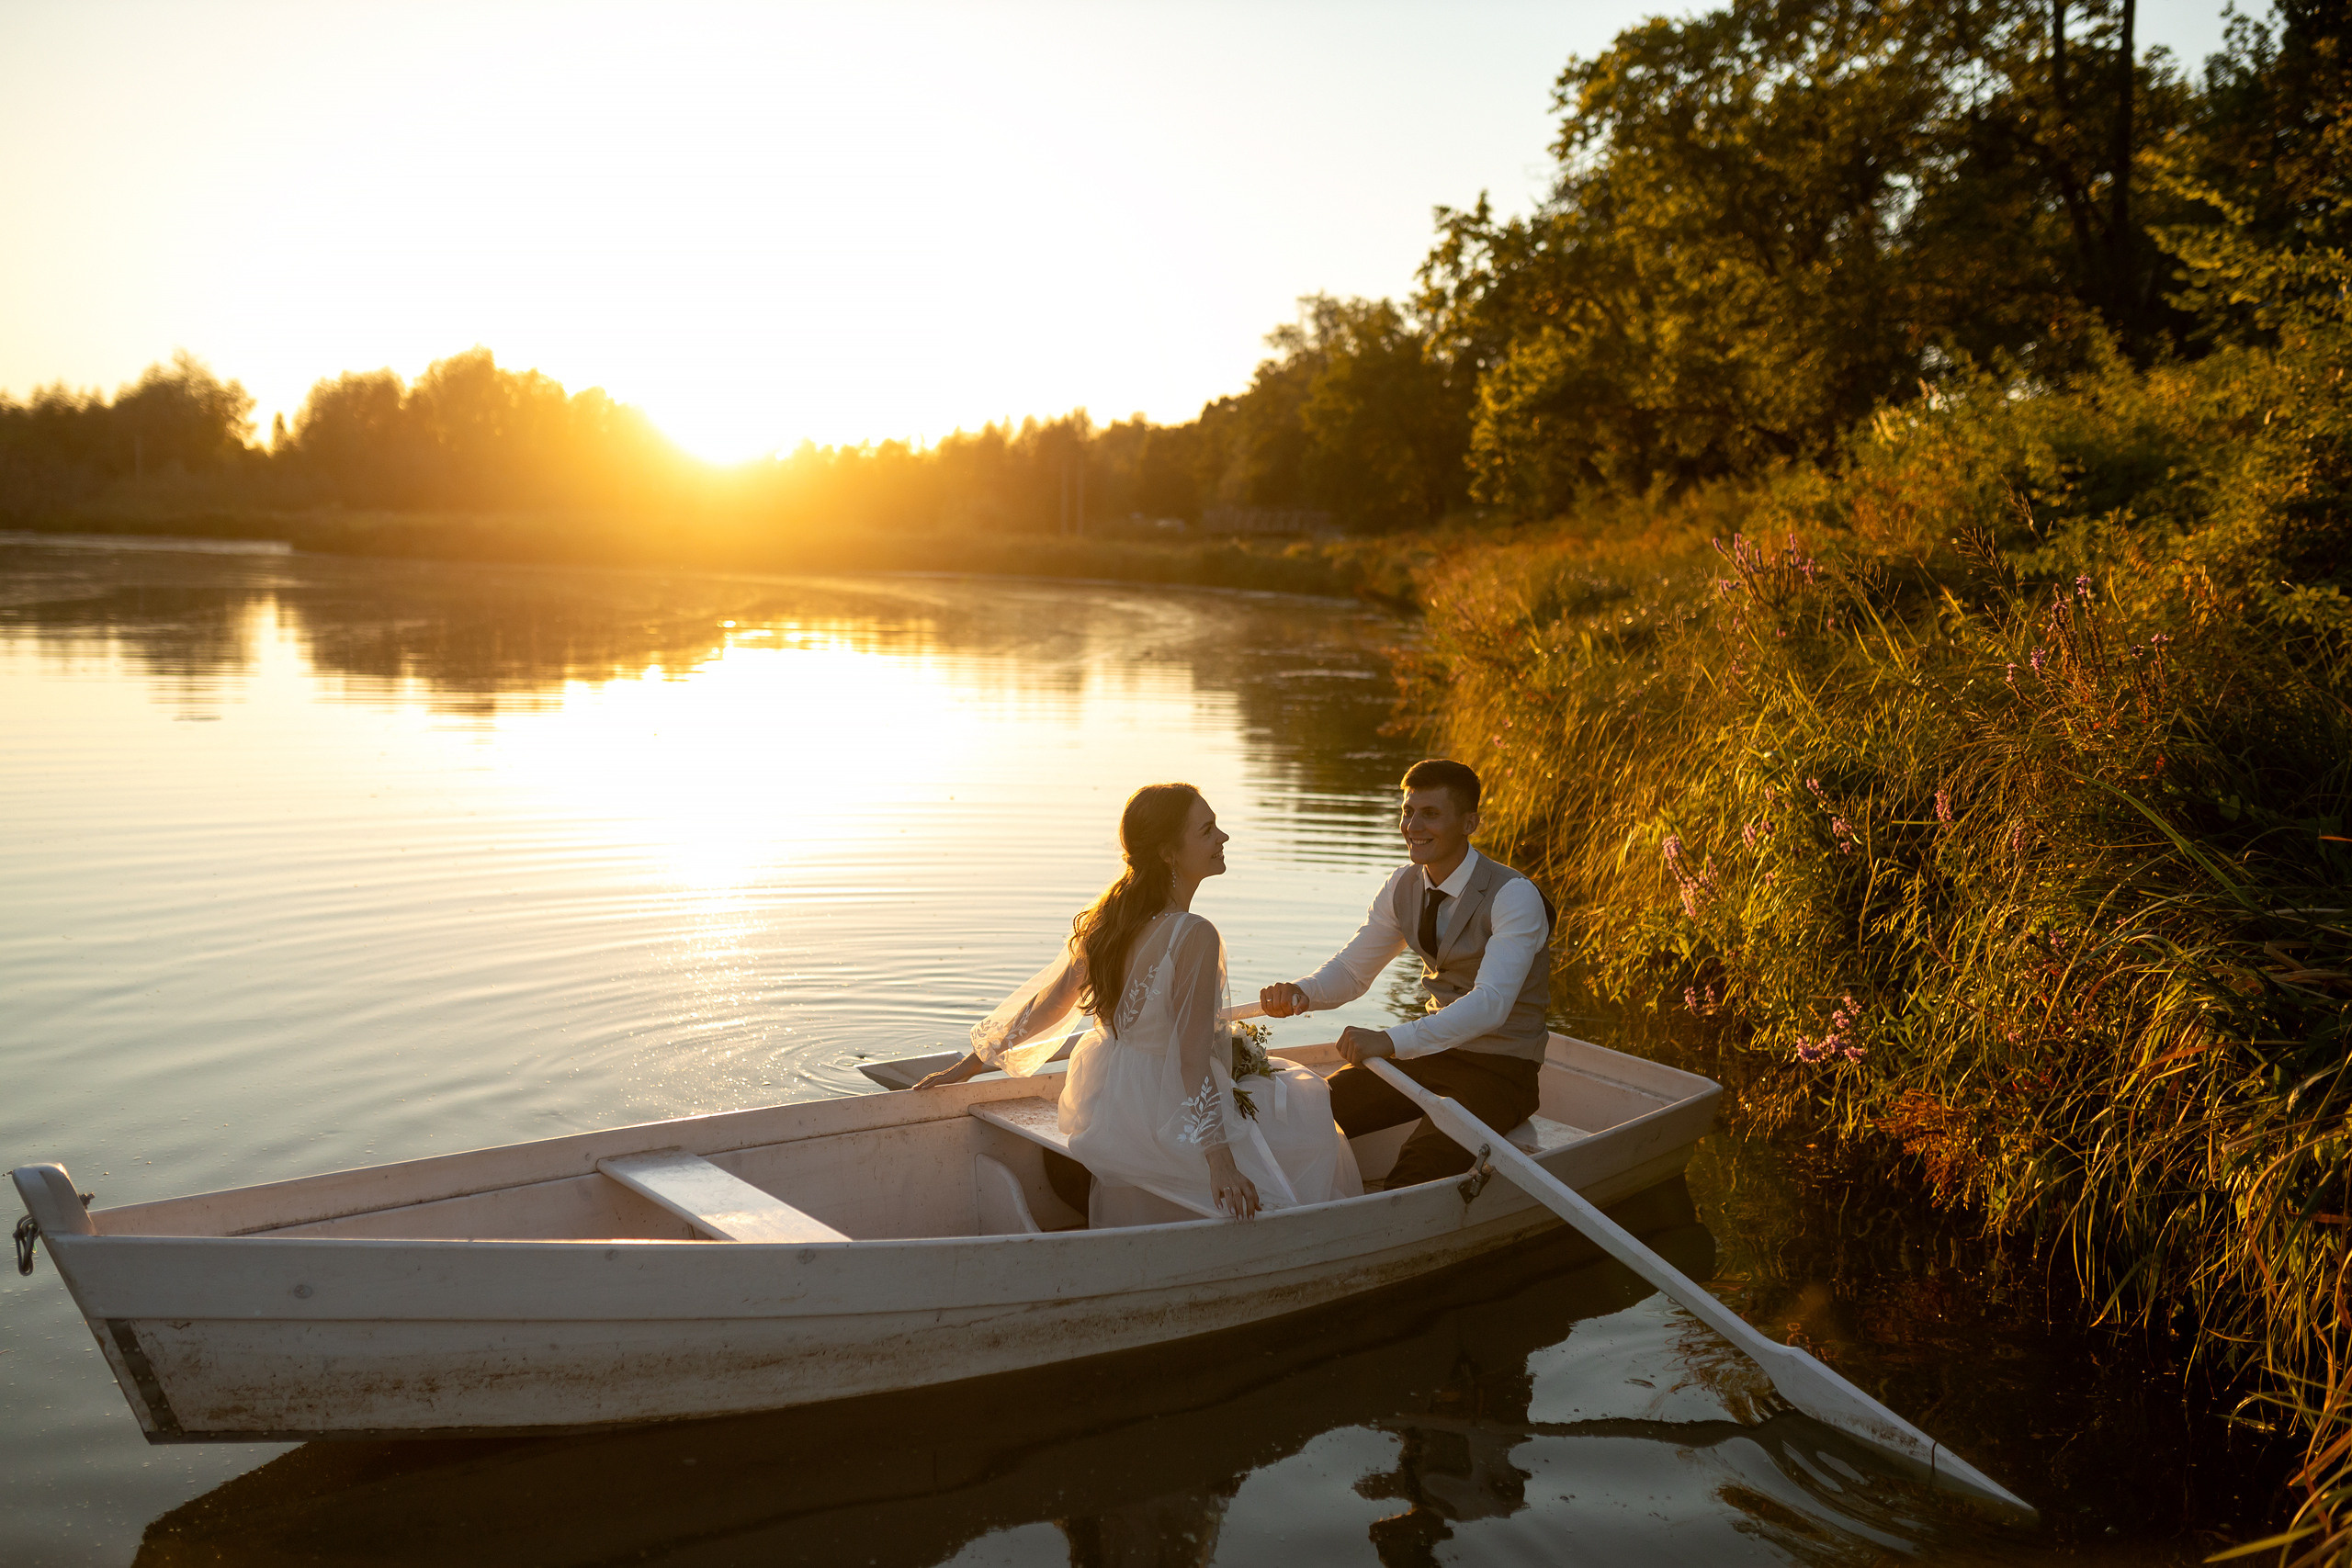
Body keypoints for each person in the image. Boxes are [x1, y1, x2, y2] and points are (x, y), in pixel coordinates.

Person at [916, 784, 1360, 1226]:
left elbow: (1048, 1007)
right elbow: (1189, 1062)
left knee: (1280, 1094)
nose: (1223, 838)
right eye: (1207, 830)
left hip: (1112, 1099)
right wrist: (1219, 1162)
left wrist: (972, 1062)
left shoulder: (1110, 919)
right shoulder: (1194, 934)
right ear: (1168, 853)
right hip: (1166, 1109)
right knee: (1309, 1109)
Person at [1259, 759, 1554, 1190]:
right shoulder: (1402, 885)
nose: (1412, 825)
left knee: (1418, 1168)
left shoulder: (1514, 896)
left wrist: (1390, 1041)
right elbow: (1351, 972)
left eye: (1430, 814)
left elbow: (1491, 1004)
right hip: (1430, 1055)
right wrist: (1301, 992)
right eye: (1408, 811)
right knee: (1310, 1114)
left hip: (1501, 1071)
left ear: (1470, 822)